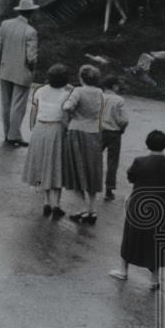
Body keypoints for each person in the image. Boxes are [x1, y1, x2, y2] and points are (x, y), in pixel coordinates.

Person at [111, 130, 165, 289]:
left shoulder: (139, 161)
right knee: (157, 240)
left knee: (131, 236)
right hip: (164, 206)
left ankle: (123, 270)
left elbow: (131, 177)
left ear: (147, 143)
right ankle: (154, 279)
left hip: (140, 203)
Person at [23, 64, 73, 217]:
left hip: (40, 129)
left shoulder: (40, 91)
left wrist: (34, 127)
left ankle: (46, 201)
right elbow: (66, 117)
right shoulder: (67, 94)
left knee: (43, 165)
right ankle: (56, 203)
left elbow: (35, 110)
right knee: (56, 165)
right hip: (56, 128)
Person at [62, 64, 105, 224]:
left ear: (81, 77)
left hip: (78, 131)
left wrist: (74, 113)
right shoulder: (100, 92)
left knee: (76, 168)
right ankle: (92, 209)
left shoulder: (78, 91)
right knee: (92, 169)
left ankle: (82, 208)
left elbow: (67, 107)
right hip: (94, 131)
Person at [0, 0, 39, 146]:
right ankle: (14, 135)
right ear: (31, 13)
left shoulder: (5, 25)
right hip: (22, 71)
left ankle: (7, 133)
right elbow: (31, 57)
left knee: (6, 103)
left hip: (5, 67)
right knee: (18, 105)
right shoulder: (31, 32)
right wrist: (32, 70)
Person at [100, 75, 129, 200]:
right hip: (114, 133)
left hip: (98, 131)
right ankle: (109, 189)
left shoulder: (98, 96)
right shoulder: (119, 100)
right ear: (114, 86)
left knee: (93, 158)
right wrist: (121, 128)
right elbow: (124, 120)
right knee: (112, 162)